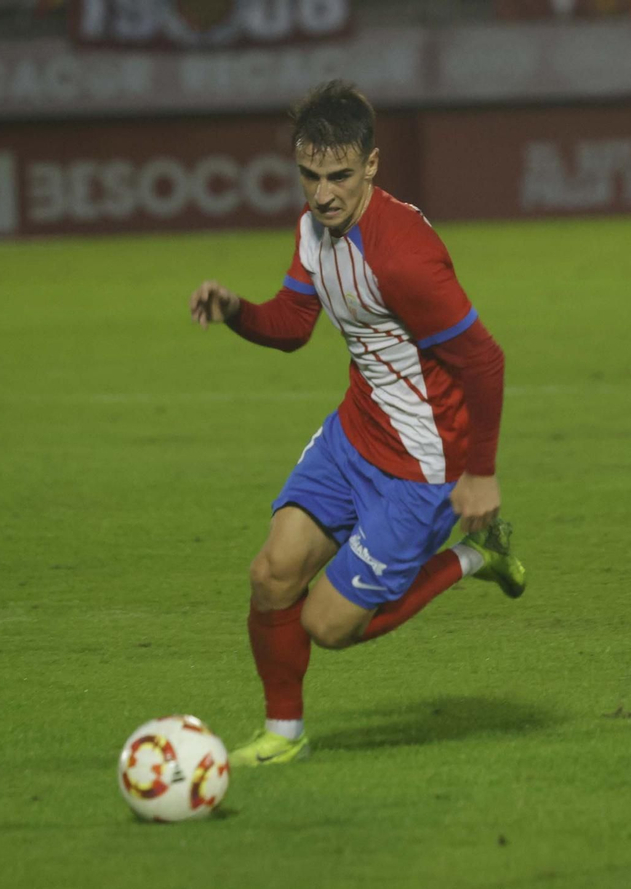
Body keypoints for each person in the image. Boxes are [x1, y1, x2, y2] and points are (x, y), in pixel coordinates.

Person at [188, 80, 526, 766]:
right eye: (309, 175)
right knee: (271, 574)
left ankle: (474, 554)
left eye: (339, 175)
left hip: (423, 463)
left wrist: (480, 474)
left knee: (329, 626)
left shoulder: (402, 255)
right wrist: (238, 313)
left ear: (372, 165)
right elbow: (292, 326)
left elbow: (485, 360)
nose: (322, 194)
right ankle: (283, 736)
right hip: (354, 434)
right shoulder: (313, 227)